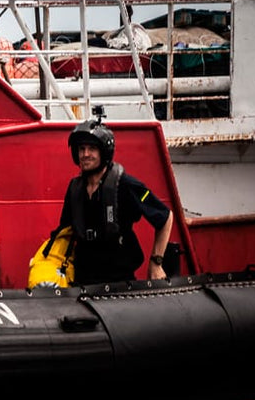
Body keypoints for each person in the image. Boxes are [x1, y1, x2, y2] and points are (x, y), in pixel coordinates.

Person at [56, 114, 174, 285]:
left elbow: (165, 217)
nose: (85, 154)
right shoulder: (75, 189)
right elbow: (64, 232)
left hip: (119, 281)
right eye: (81, 149)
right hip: (83, 279)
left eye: (91, 149)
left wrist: (156, 263)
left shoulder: (126, 185)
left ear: (104, 152)